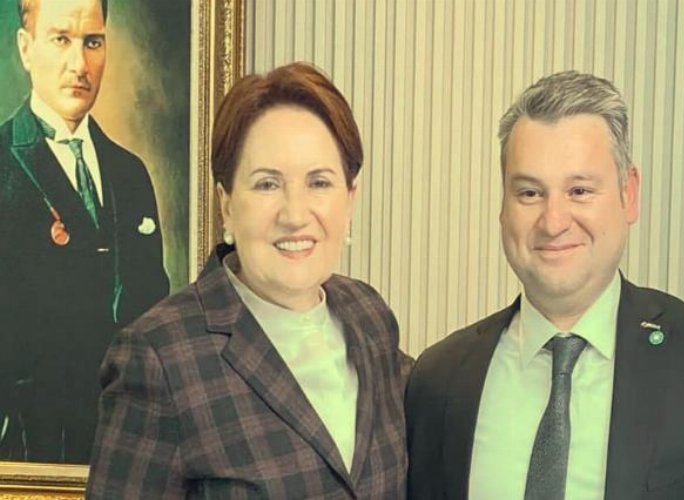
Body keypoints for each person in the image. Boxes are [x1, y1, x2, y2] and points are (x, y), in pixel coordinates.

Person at [405, 71, 684, 499]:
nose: (553, 222)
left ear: (629, 194)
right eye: (530, 193)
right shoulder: (438, 379)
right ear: (503, 206)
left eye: (580, 191)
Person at [86, 62, 412, 498]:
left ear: (350, 199)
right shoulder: (158, 359)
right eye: (267, 185)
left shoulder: (369, 317)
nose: (295, 215)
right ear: (226, 204)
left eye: (319, 182)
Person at [0, 0, 169, 463]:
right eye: (61, 39)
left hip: (129, 455)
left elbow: (152, 315)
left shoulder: (130, 174)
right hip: (29, 459)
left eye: (92, 42)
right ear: (26, 48)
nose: (79, 64)